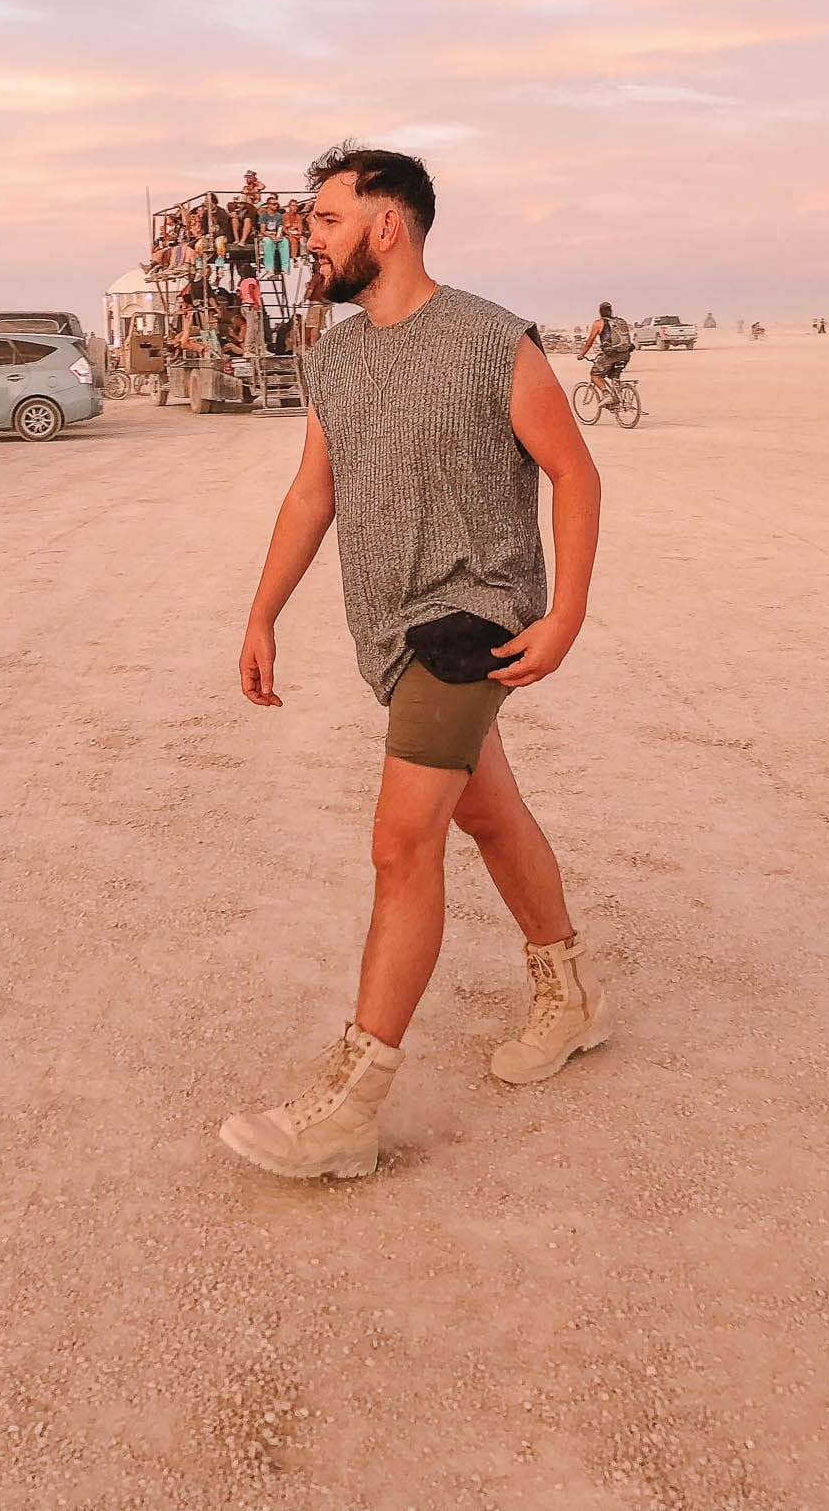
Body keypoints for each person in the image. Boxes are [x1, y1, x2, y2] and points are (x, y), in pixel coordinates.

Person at [224, 143, 607, 1181]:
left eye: (327, 222)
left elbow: (573, 472)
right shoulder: (334, 359)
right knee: (483, 812)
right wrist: (262, 614)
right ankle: (567, 994)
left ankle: (351, 1105)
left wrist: (565, 613)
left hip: (470, 618)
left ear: (385, 225)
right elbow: (315, 493)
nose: (311, 241)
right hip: (386, 630)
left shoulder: (490, 339)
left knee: (401, 847)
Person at [577, 302, 633, 407]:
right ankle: (619, 397)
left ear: (600, 311)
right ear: (611, 311)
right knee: (614, 376)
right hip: (625, 354)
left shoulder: (599, 323)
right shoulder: (620, 322)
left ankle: (606, 395)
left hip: (611, 355)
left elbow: (590, 341)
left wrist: (581, 354)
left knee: (595, 374)